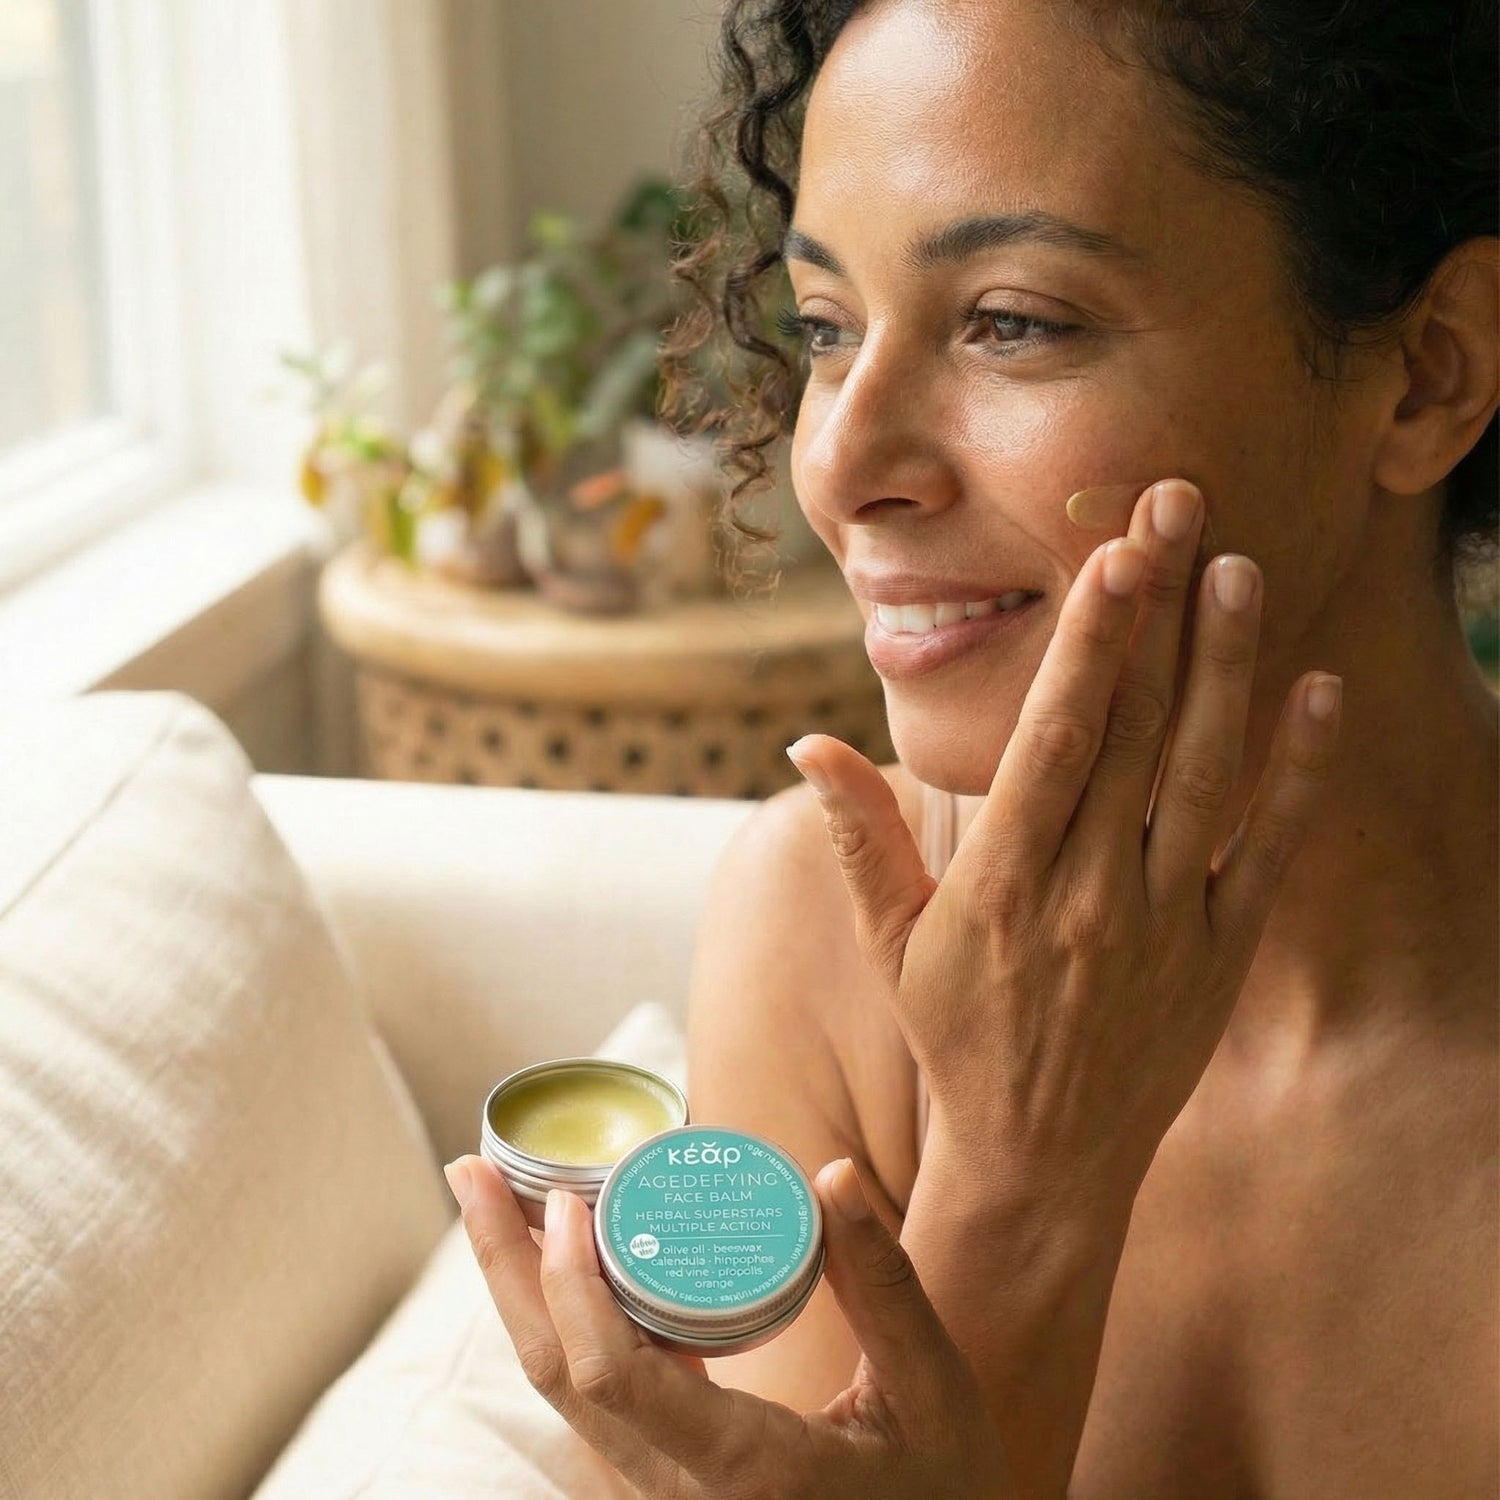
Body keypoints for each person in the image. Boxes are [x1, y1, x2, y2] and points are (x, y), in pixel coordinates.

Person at [442, 1, 1499, 1494]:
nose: (839, 464)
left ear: (1432, 372)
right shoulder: (822, 932)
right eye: (826, 328)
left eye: (1011, 322)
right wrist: (1016, 1178)